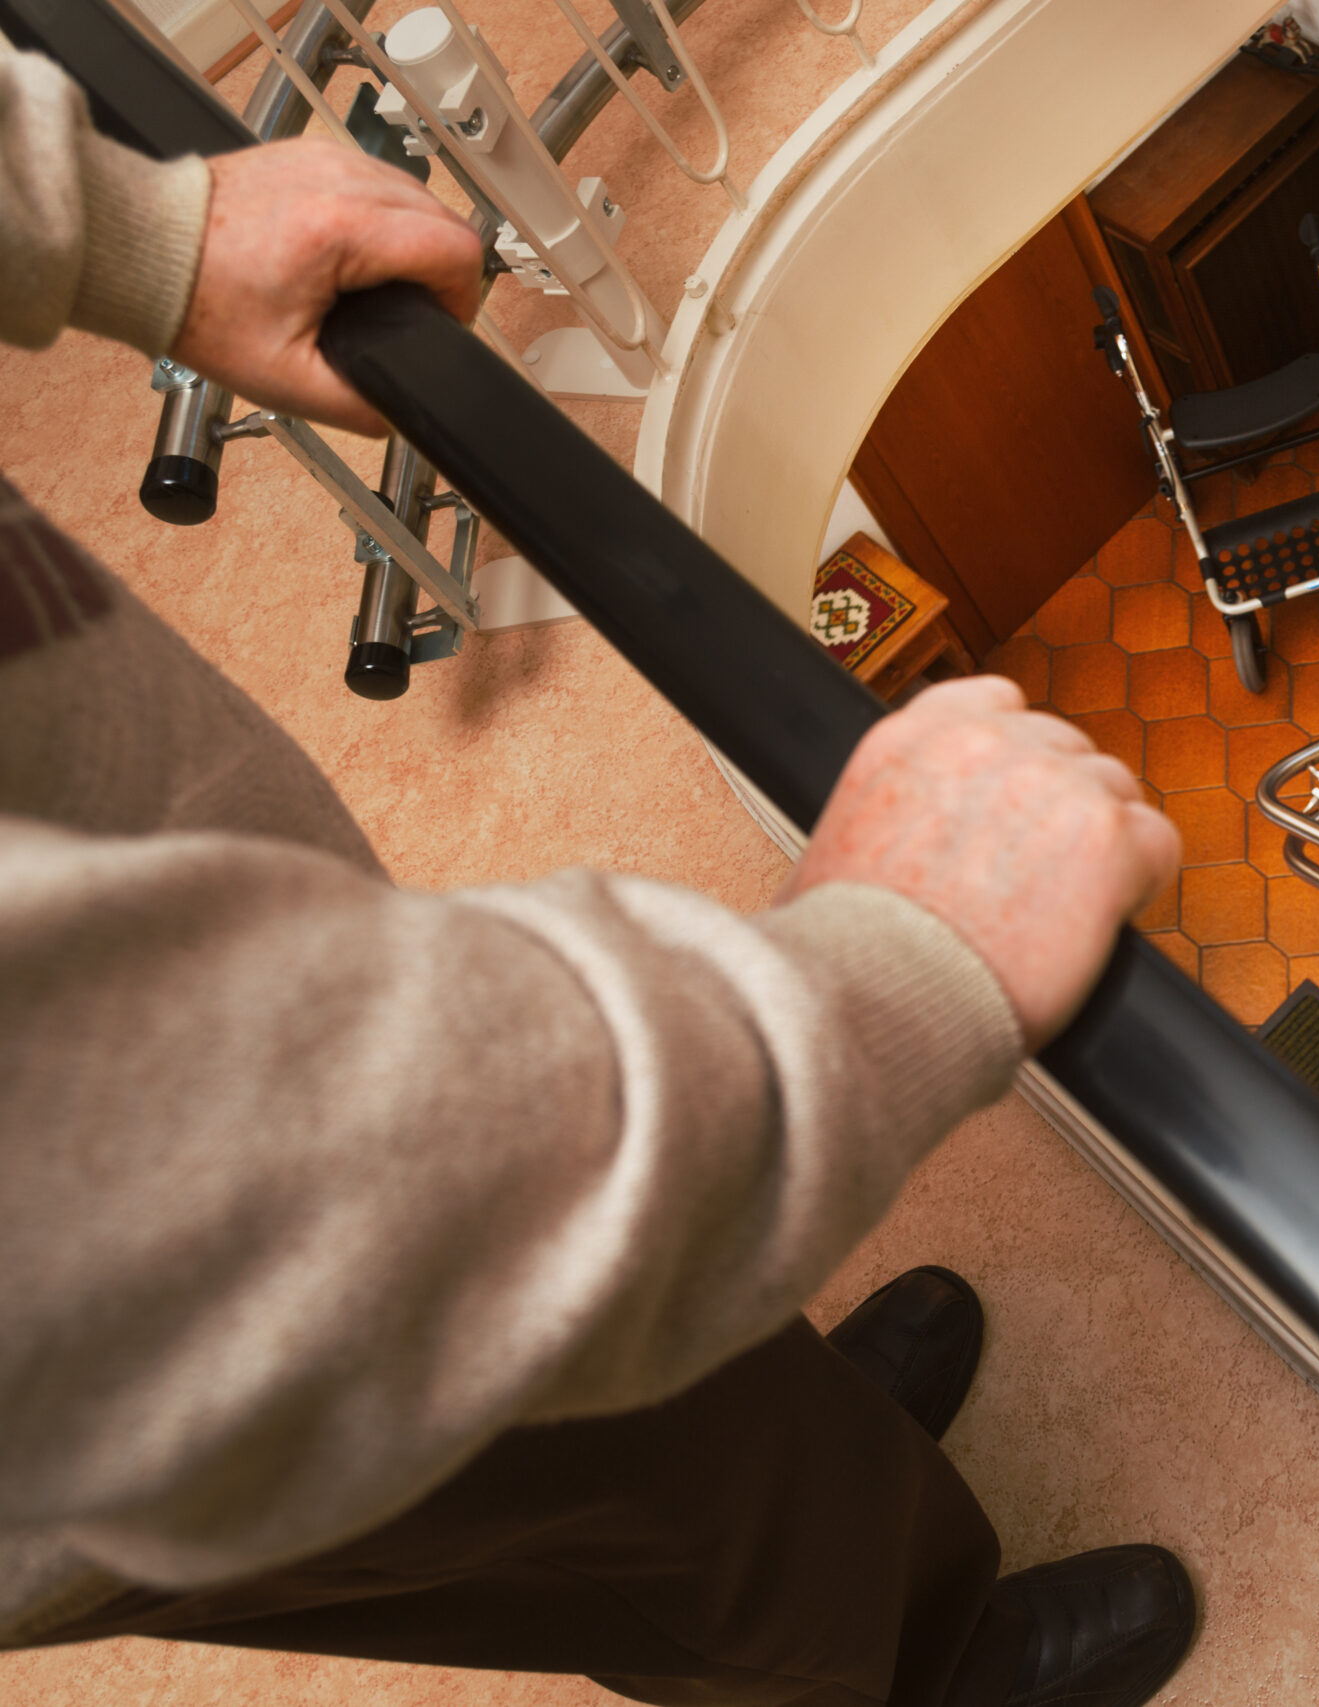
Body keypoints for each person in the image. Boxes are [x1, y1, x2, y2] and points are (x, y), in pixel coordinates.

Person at [0, 43, 1198, 1707]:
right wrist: (894, 967)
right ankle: (920, 1663)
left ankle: (785, 1415)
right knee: (622, 1519)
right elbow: (225, 1196)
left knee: (686, 1359)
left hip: (197, 981)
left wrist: (114, 227)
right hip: (129, 1356)